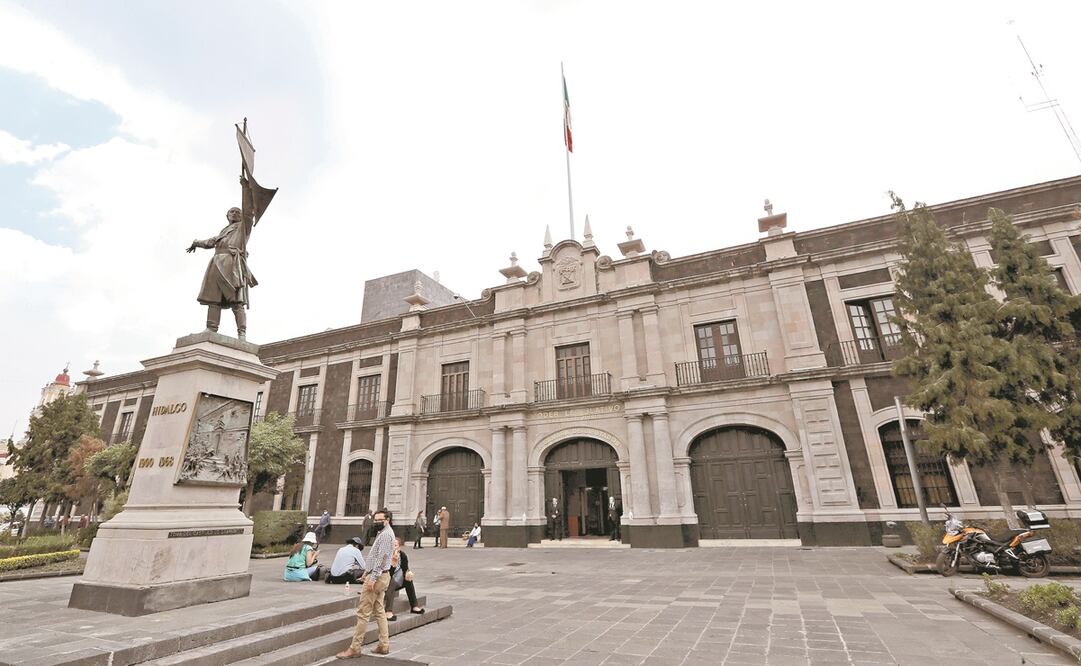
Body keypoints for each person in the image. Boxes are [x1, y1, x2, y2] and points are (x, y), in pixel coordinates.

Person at [185, 176, 263, 340]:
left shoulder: (243, 228)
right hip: (216, 263)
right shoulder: (223, 232)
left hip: (231, 265)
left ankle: (242, 333)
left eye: (237, 211)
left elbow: (248, 211)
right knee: (213, 298)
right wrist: (195, 243)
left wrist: (245, 188)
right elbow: (210, 242)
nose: (235, 213)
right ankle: (211, 328)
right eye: (231, 211)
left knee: (236, 301)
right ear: (227, 215)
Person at [336, 508, 395, 659]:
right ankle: (384, 644)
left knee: (363, 613)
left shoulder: (386, 535)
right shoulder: (384, 533)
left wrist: (372, 577)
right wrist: (367, 572)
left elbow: (381, 559)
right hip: (380, 576)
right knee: (379, 611)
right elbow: (377, 558)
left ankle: (355, 648)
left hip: (377, 577)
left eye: (379, 520)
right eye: (375, 520)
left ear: (386, 520)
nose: (376, 522)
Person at [384, 537, 426, 622]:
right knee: (391, 582)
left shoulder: (402, 555)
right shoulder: (386, 557)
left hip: (397, 580)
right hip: (385, 581)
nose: (393, 547)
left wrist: (408, 573)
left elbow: (405, 569)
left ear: (399, 547)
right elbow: (387, 575)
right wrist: (393, 563)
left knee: (408, 581)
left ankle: (414, 606)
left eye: (395, 545)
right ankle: (388, 611)